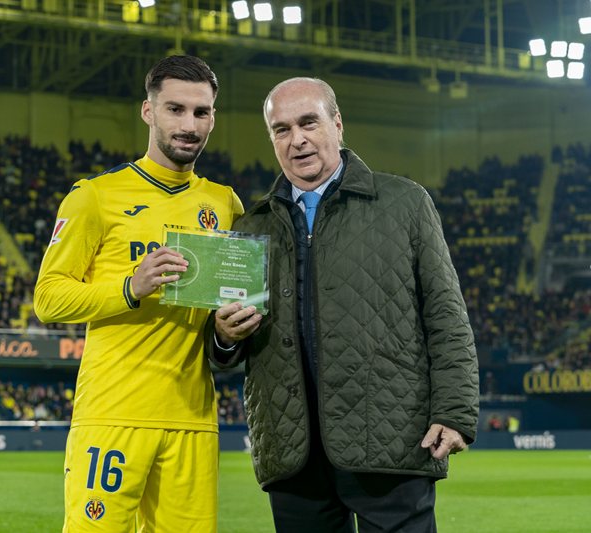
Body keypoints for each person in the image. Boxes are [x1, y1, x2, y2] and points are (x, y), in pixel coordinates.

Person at [208, 77, 479, 532]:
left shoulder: (405, 202)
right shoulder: (248, 226)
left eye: (308, 122)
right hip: (293, 453)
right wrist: (223, 337)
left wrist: (453, 412)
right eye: (281, 129)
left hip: (392, 444)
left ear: (337, 123)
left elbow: (447, 316)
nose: (297, 140)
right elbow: (223, 347)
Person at [34, 55, 244, 532]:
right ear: (148, 112)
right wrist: (130, 287)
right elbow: (48, 298)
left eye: (201, 112)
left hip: (192, 418)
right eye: (175, 109)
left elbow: (226, 307)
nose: (189, 124)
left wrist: (227, 332)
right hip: (112, 413)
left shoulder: (224, 204)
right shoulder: (94, 196)